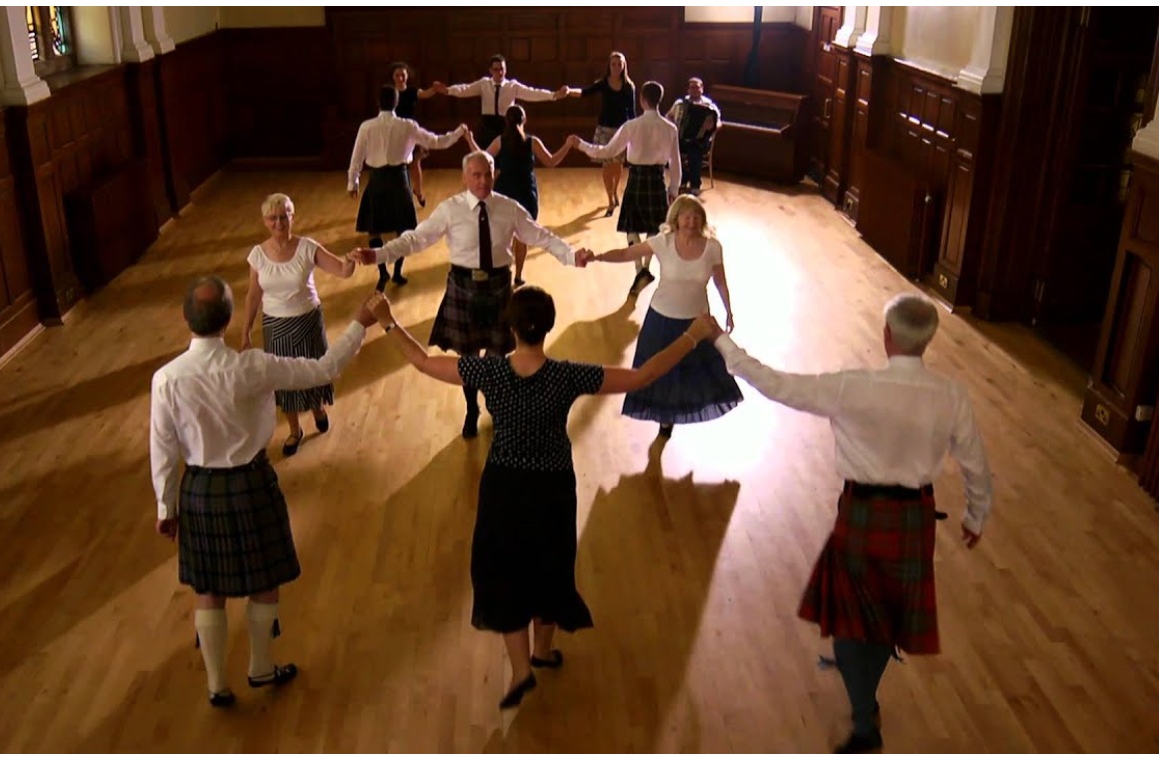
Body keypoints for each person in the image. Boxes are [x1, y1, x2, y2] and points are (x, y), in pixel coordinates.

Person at [364, 286, 722, 709]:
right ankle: (543, 651)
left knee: (506, 572)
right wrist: (693, 335)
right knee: (550, 567)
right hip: (552, 487)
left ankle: (521, 670)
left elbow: (423, 362)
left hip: (503, 486)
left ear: (511, 328)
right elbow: (643, 376)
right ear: (548, 327)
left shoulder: (489, 372)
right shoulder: (567, 376)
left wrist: (387, 320)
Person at [707, 293, 995, 753]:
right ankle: (867, 701)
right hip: (913, 521)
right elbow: (976, 466)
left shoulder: (853, 387)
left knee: (848, 623)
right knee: (886, 621)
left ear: (887, 335)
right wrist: (976, 516)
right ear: (927, 340)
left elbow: (775, 384)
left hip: (861, 515)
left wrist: (720, 341)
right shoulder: (951, 396)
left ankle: (864, 722)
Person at [151, 276, 377, 708]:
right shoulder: (253, 367)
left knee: (208, 586)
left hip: (199, 490)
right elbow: (324, 369)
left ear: (186, 319)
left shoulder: (166, 379)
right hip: (251, 482)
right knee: (265, 578)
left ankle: (216, 684)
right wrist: (359, 324)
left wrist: (166, 507)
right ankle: (261, 666)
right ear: (228, 319)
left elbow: (162, 450)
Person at [349, 150, 591, 440]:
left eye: (488, 174)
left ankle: (495, 405)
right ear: (464, 177)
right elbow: (415, 239)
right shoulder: (450, 210)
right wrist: (378, 255)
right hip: (463, 287)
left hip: (499, 287)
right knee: (468, 359)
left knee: (498, 355)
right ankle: (471, 408)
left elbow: (541, 236)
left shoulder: (509, 208)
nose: (483, 181)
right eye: (476, 175)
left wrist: (571, 256)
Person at [584, 194, 742, 438]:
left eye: (696, 217)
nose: (691, 222)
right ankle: (665, 421)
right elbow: (627, 254)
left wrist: (729, 310)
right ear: (676, 219)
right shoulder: (663, 242)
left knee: (692, 373)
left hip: (698, 322)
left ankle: (677, 414)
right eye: (686, 217)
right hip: (662, 318)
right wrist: (598, 256)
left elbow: (720, 281)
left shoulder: (713, 247)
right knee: (659, 371)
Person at [240, 193, 360, 455]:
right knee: (283, 379)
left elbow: (342, 271)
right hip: (275, 325)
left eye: (284, 217)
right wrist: (245, 331)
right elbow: (253, 295)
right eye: (273, 218)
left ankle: (317, 407)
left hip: (307, 321)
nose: (279, 223)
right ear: (265, 221)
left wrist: (351, 260)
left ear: (292, 217)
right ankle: (295, 430)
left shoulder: (307, 248)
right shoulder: (257, 255)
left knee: (313, 370)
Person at [348, 85, 469, 292]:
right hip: (399, 180)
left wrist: (353, 182)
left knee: (374, 230)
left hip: (377, 180)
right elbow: (438, 142)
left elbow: (356, 156)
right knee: (403, 230)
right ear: (396, 103)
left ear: (378, 102)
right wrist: (459, 132)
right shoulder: (407, 126)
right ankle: (397, 272)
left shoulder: (366, 126)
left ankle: (382, 271)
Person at [568, 80, 682, 298]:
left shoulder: (632, 126)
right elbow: (675, 163)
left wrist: (580, 144)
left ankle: (640, 270)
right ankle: (645, 267)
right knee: (655, 227)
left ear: (642, 99)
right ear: (660, 99)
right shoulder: (670, 128)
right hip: (657, 181)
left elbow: (606, 152)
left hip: (637, 179)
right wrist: (674, 189)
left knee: (632, 225)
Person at [465, 104, 574, 287]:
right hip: (526, 193)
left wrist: (469, 139)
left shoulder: (500, 141)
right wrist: (568, 145)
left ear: (506, 121)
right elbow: (551, 161)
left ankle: (500, 275)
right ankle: (518, 276)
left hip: (505, 191)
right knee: (522, 237)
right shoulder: (532, 141)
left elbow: (482, 157)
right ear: (524, 120)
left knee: (502, 236)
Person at [432, 54, 570, 151]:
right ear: (490, 70)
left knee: (504, 159)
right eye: (496, 69)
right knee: (485, 158)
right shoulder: (484, 84)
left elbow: (532, 93)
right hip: (487, 125)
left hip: (506, 125)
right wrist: (448, 91)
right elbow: (465, 89)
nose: (500, 72)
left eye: (502, 69)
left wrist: (554, 95)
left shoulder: (512, 86)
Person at [564, 51, 637, 216]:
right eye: (613, 64)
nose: (616, 67)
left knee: (617, 164)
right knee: (606, 164)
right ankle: (610, 199)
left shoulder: (629, 86)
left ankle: (615, 191)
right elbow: (585, 92)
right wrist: (569, 91)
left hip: (621, 130)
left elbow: (632, 112)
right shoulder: (603, 83)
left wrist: (634, 132)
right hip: (604, 129)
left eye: (619, 64)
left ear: (624, 66)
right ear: (609, 66)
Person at [390, 61, 438, 208]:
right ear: (393, 76)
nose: (400, 78)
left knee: (415, 163)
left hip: (410, 132)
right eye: (397, 75)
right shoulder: (390, 93)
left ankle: (419, 192)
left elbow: (425, 94)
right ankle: (398, 195)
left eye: (402, 75)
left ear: (407, 76)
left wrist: (435, 88)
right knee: (396, 165)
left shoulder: (412, 91)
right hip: (395, 132)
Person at [665, 77, 722, 195]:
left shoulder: (709, 105)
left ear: (702, 89)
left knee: (694, 150)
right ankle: (680, 181)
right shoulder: (680, 103)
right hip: (681, 138)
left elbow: (719, 123)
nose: (695, 90)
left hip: (700, 140)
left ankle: (695, 184)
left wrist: (711, 127)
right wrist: (673, 123)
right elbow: (669, 116)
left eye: (697, 87)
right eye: (692, 87)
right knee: (675, 150)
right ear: (688, 89)